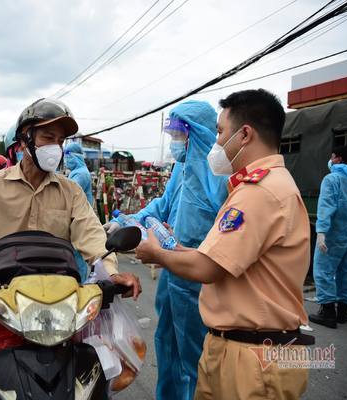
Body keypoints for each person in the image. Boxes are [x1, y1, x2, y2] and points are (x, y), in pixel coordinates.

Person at [135, 89, 313, 400]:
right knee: (173, 354)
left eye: (220, 131)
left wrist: (157, 254)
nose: (217, 141)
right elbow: (216, 253)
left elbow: (209, 266)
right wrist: (172, 248)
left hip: (254, 355)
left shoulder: (259, 191)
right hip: (240, 346)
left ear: (244, 134)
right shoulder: (258, 185)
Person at [0, 97, 141, 314]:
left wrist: (111, 272)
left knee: (99, 347)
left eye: (60, 141)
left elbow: (92, 236)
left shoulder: (71, 191)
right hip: (0, 295)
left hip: (62, 301)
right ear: (23, 140)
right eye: (48, 137)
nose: (55, 147)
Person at [104, 101, 228, 400]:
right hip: (172, 270)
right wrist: (125, 220)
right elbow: (162, 206)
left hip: (196, 272)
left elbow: (224, 223)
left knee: (195, 354)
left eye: (177, 133)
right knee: (167, 344)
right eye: (170, 133)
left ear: (195, 132)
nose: (173, 141)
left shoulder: (218, 175)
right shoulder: (182, 169)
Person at [309, 146, 347, 328]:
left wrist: (321, 232)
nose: (331, 159)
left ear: (338, 159)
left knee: (324, 271)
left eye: (332, 156)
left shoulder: (331, 179)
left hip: (332, 238)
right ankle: (342, 312)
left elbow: (326, 207)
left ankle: (327, 313)